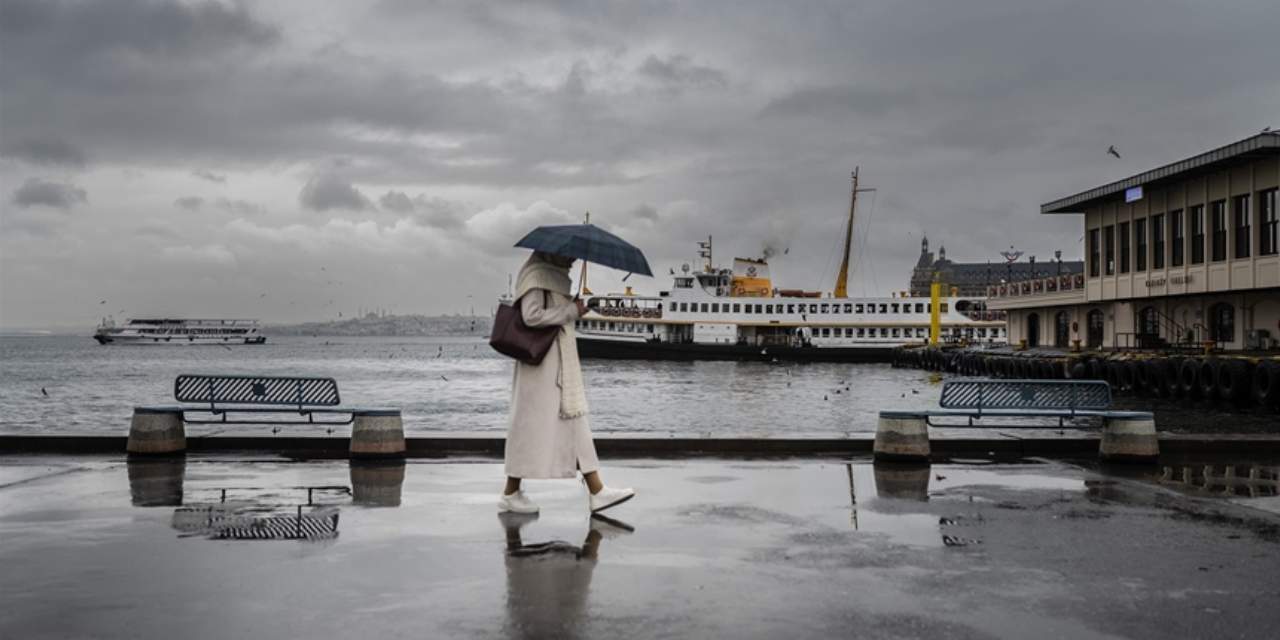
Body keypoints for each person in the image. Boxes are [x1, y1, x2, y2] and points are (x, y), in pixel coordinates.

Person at [499, 251, 635, 514]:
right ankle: (512, 492)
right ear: (553, 254)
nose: (573, 260)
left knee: (570, 420)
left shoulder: (551, 277)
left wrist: (571, 307)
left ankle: (595, 490)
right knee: (533, 425)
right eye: (570, 255)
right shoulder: (537, 276)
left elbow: (549, 312)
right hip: (542, 366)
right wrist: (571, 310)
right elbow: (531, 316)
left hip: (556, 363)